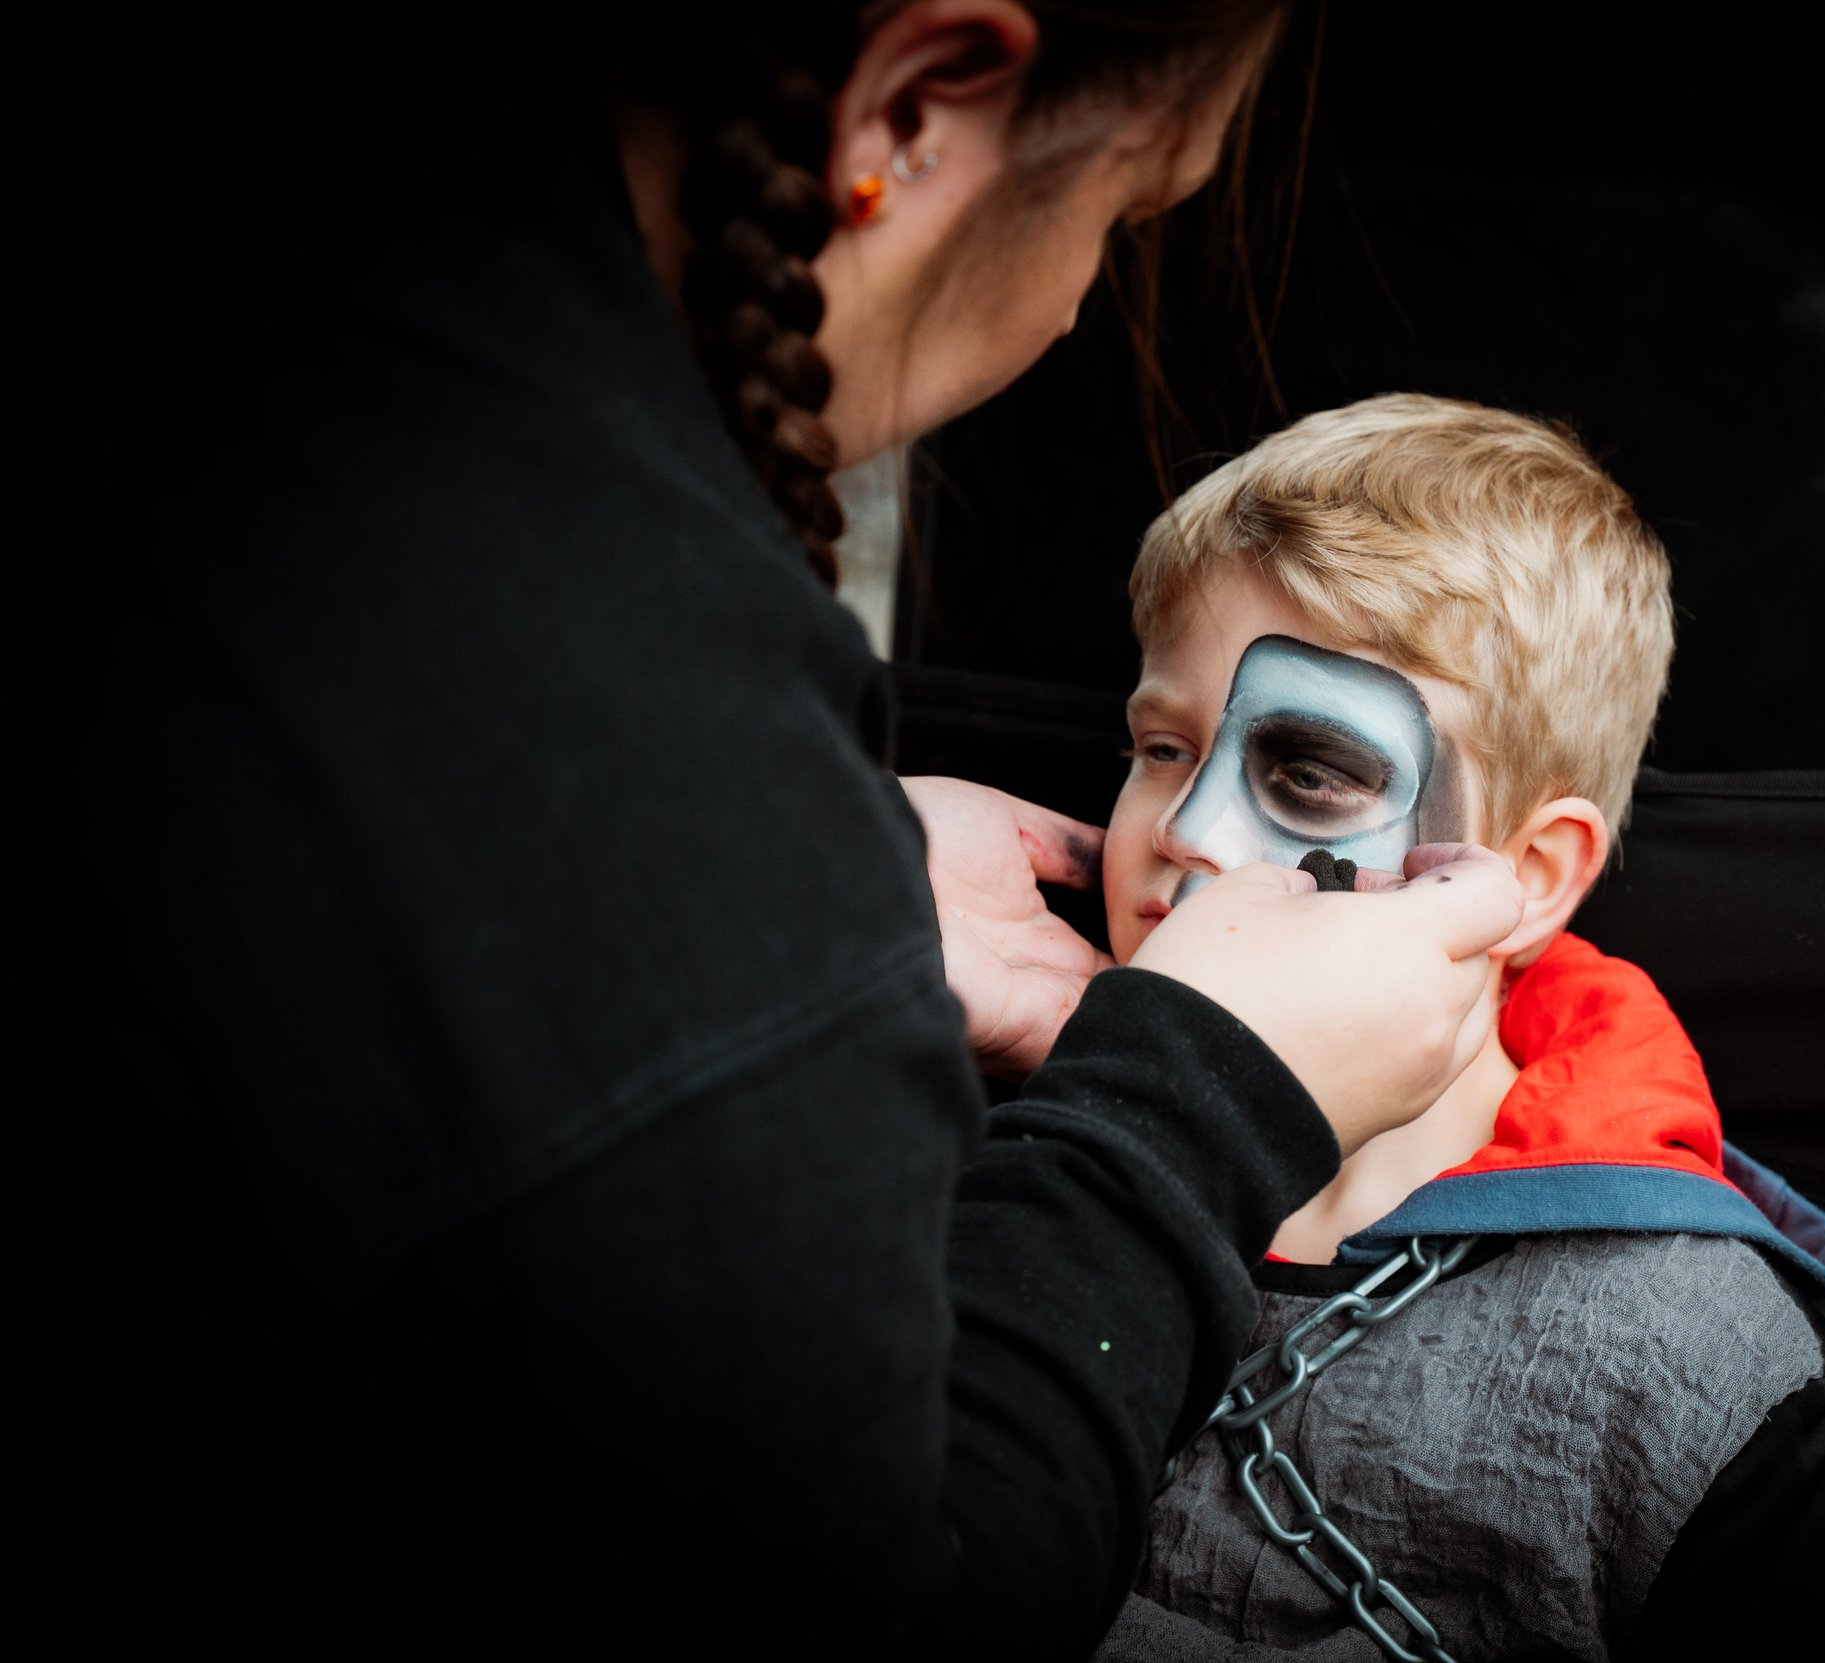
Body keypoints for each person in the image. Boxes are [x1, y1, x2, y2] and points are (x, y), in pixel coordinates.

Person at [69, 3, 1524, 1649]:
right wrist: (1183, 1104)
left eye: (1307, 773)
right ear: (914, 108)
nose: (1075, 308)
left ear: (1535, 870)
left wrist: (828, 902)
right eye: (1124, 214)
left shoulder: (282, 449)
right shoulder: (626, 705)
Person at [1085, 395, 1825, 1660]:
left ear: (1533, 874)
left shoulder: (1698, 1375)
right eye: (1164, 747)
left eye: (1308, 773)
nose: (1187, 832)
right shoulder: (981, 1160)